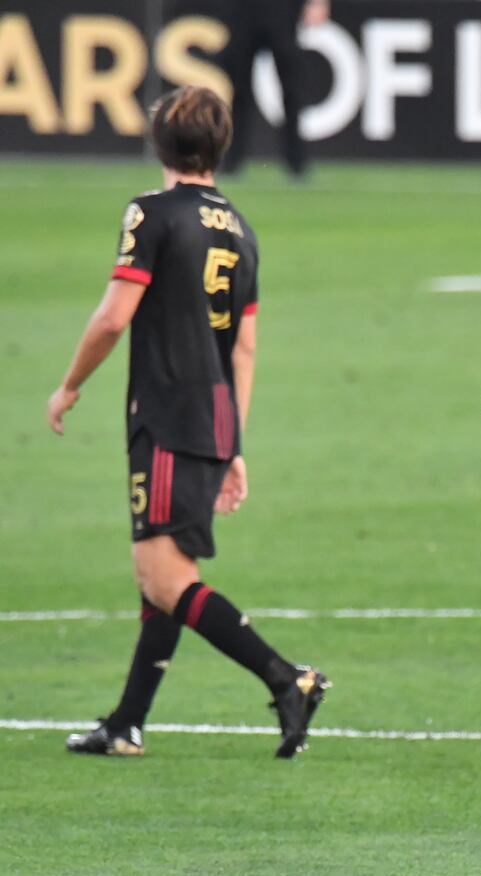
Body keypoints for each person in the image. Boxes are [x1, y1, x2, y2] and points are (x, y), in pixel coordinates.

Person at [47, 86, 329, 760]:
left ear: (158, 143)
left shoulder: (150, 213)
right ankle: (126, 723)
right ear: (220, 148)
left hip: (168, 415)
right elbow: (245, 346)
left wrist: (68, 385)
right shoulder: (241, 229)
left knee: (165, 579)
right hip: (210, 417)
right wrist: (234, 442)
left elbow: (115, 314)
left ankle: (288, 678)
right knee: (163, 578)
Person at [221, 0, 330, 177]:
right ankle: (232, 158)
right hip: (244, 8)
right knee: (239, 87)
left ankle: (296, 160)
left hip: (282, 7)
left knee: (291, 87)